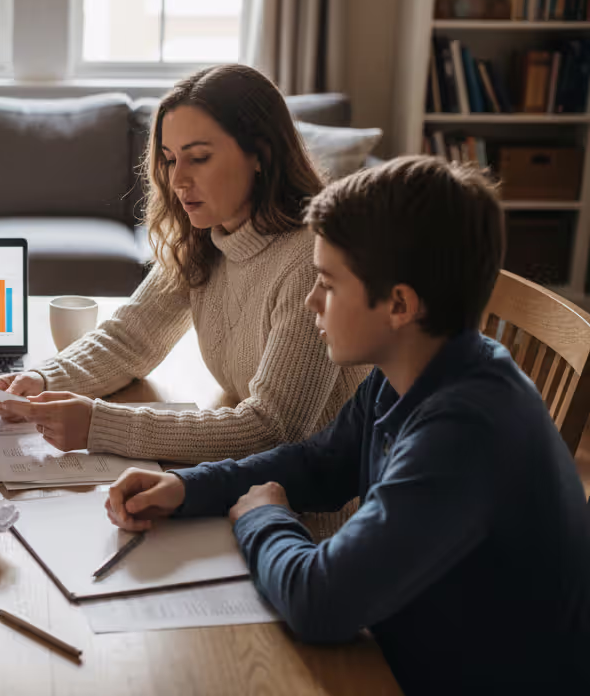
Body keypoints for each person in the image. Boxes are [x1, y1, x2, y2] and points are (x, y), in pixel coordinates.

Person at [105, 157, 590, 694]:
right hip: (415, 646)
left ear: (399, 305)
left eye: (328, 284)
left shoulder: (464, 435)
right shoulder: (412, 367)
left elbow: (319, 602)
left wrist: (263, 516)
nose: (311, 300)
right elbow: (320, 463)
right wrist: (186, 486)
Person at [0, 64, 368, 533]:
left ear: (261, 154)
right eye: (169, 159)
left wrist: (98, 425)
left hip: (312, 520)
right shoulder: (207, 235)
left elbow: (273, 429)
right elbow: (130, 338)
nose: (177, 179)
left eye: (198, 158)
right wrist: (44, 378)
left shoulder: (310, 261)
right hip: (242, 491)